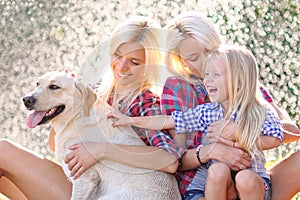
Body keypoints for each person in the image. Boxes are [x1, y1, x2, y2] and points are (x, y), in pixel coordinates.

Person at [0, 17, 184, 200]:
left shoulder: (146, 104)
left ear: (148, 66)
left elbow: (169, 160)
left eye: (134, 62)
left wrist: (101, 149)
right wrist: (63, 101)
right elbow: (58, 147)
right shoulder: (98, 91)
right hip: (93, 187)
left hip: (117, 192)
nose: (121, 66)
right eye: (118, 55)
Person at [108, 44, 284, 200]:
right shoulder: (209, 112)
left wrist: (240, 132)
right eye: (207, 74)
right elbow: (169, 121)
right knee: (217, 169)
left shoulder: (259, 110)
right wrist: (131, 120)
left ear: (239, 81)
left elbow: (276, 137)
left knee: (244, 178)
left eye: (215, 75)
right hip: (217, 184)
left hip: (252, 184)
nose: (207, 80)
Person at [160, 11, 300, 199]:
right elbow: (177, 160)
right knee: (218, 173)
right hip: (207, 186)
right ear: (180, 60)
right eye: (194, 58)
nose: (205, 64)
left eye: (210, 52)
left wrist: (242, 129)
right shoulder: (177, 89)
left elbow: (293, 132)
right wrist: (212, 151)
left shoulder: (242, 82)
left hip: (250, 183)